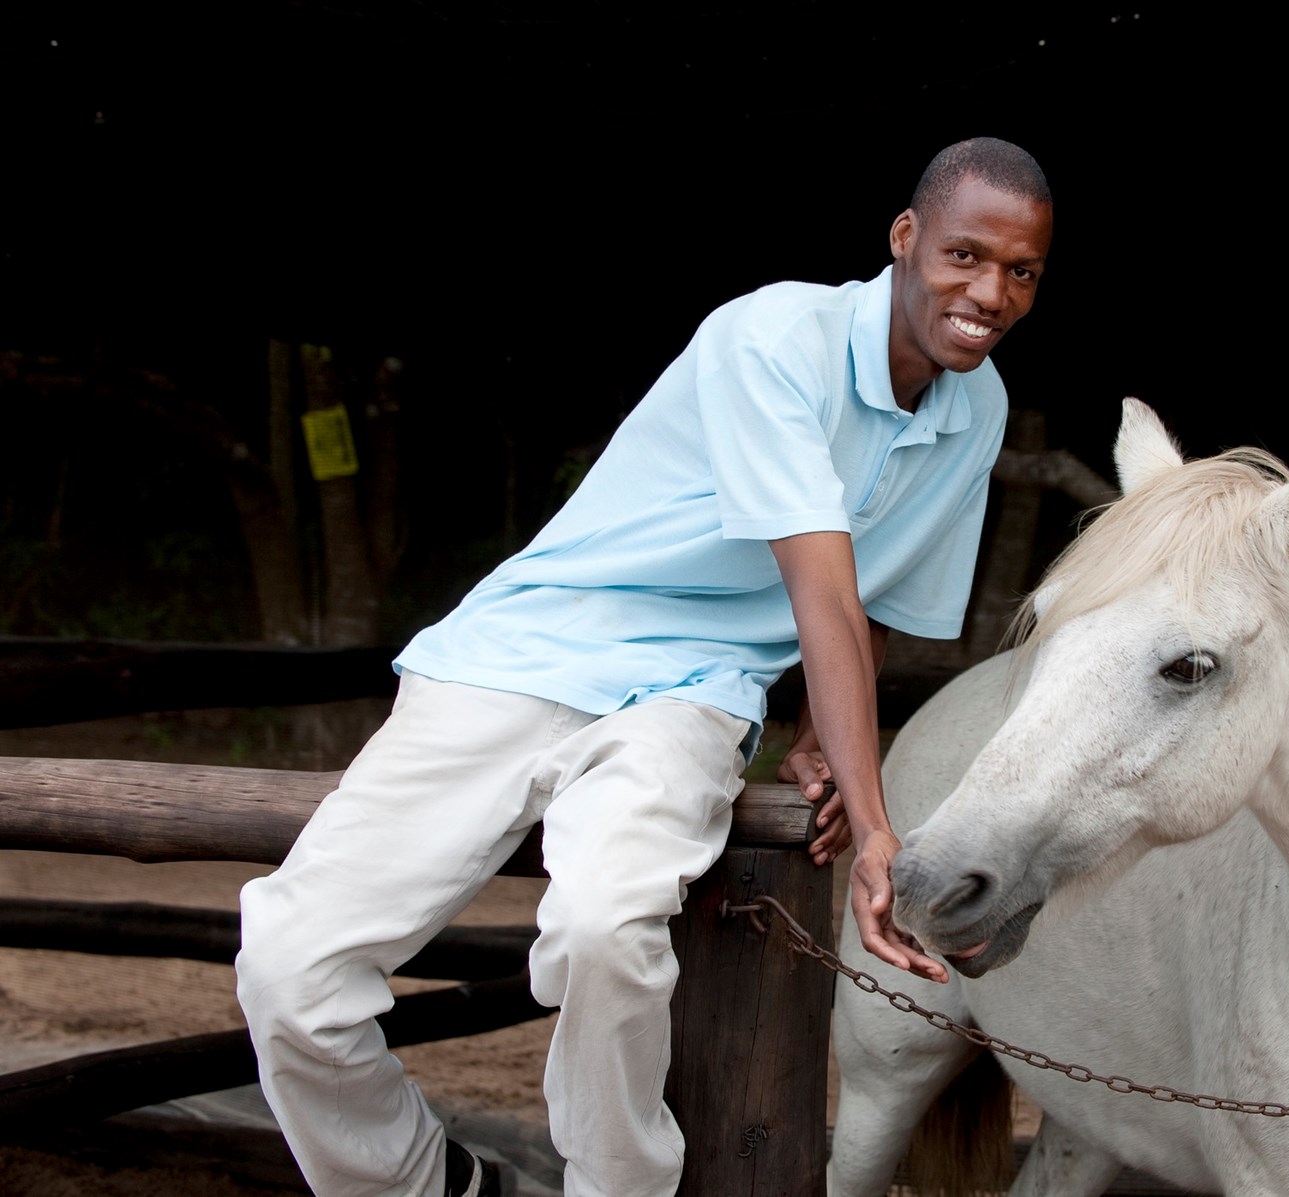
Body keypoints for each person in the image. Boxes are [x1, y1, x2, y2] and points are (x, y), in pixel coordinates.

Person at [234, 136, 1054, 1197]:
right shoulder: (773, 338)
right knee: (290, 970)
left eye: (1021, 271)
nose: (989, 293)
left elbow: (881, 600)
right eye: (964, 256)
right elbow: (825, 593)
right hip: (528, 648)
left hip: (695, 690)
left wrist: (818, 729)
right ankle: (423, 1185)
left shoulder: (974, 409)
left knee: (607, 926)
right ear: (905, 240)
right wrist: (877, 820)